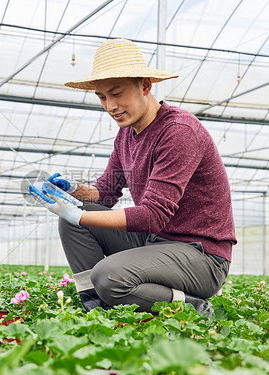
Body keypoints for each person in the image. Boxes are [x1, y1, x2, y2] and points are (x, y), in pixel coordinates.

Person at [30, 38, 236, 316]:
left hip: (202, 256)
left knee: (108, 275)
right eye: (102, 97)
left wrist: (78, 215)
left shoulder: (178, 131)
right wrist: (72, 190)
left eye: (117, 94)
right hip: (155, 243)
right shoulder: (125, 136)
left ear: (145, 86)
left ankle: (194, 306)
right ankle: (98, 306)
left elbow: (153, 215)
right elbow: (105, 193)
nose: (110, 106)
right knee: (74, 222)